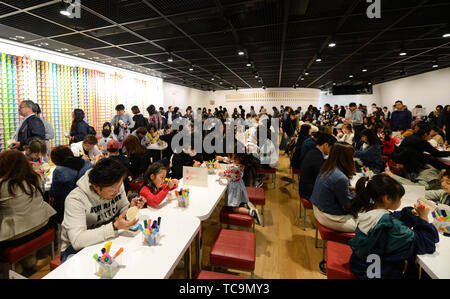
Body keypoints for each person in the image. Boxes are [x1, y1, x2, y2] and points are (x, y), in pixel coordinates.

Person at [347, 174, 439, 279]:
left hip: (362, 267)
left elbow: (394, 217)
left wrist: (412, 213)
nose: (401, 201)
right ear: (387, 198)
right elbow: (427, 243)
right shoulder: (389, 226)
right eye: (400, 198)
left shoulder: (368, 211)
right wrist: (423, 218)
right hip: (380, 273)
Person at [59, 158, 145, 263]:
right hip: (76, 250)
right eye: (113, 189)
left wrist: (130, 208)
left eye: (119, 186)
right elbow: (77, 240)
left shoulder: (116, 183)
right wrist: (114, 226)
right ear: (95, 186)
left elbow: (122, 208)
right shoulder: (76, 199)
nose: (118, 191)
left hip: (105, 240)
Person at [0, 151, 56, 270]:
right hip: (42, 224)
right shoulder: (36, 178)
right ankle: (30, 260)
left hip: (17, 234)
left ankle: (10, 267)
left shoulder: (3, 186)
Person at [309, 142, 357, 232]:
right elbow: (347, 204)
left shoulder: (327, 168)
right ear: (346, 158)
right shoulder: (340, 177)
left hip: (319, 209)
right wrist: (359, 194)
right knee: (368, 227)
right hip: (329, 216)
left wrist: (352, 190)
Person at [215, 144, 261, 225]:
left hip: (234, 188)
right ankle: (246, 206)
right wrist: (222, 158)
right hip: (239, 185)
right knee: (238, 201)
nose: (229, 156)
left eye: (230, 155)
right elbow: (231, 161)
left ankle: (251, 212)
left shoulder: (233, 167)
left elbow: (222, 173)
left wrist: (218, 166)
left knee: (233, 208)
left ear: (236, 156)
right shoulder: (240, 163)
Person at [49, 145, 93, 220]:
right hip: (88, 200)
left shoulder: (59, 170)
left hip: (68, 204)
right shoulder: (87, 163)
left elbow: (54, 192)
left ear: (56, 160)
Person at [299, 133, 337, 201]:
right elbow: (324, 178)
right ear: (325, 145)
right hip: (308, 192)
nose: (332, 151)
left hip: (306, 188)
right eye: (332, 148)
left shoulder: (314, 151)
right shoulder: (317, 157)